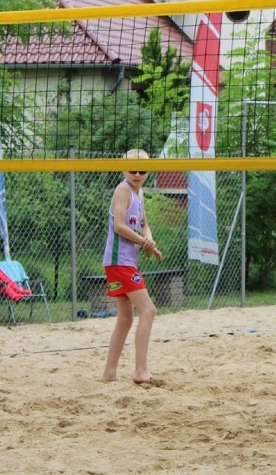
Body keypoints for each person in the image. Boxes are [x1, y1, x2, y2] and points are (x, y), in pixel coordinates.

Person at [101, 149, 164, 384]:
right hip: (120, 262)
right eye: (132, 169)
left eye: (143, 170)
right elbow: (119, 226)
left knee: (125, 318)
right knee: (148, 310)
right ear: (123, 168)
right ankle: (140, 371)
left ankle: (109, 373)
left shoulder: (140, 192)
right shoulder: (122, 190)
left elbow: (144, 224)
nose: (137, 174)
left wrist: (149, 239)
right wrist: (142, 240)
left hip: (124, 262)